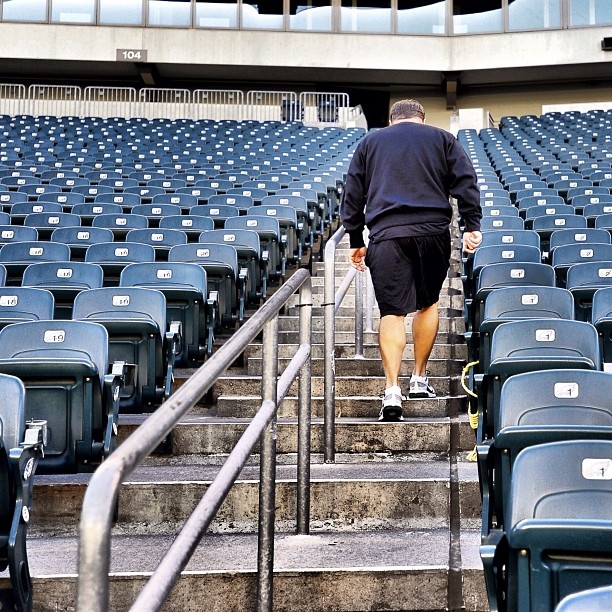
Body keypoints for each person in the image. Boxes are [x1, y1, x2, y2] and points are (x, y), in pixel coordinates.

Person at [340, 99, 482, 422]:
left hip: (387, 235)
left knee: (392, 312)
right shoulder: (443, 138)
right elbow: (466, 180)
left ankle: (392, 390)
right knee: (428, 303)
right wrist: (472, 224)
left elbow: (352, 193)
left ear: (391, 120)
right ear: (422, 118)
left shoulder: (369, 143)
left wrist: (354, 239)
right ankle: (418, 378)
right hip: (433, 232)